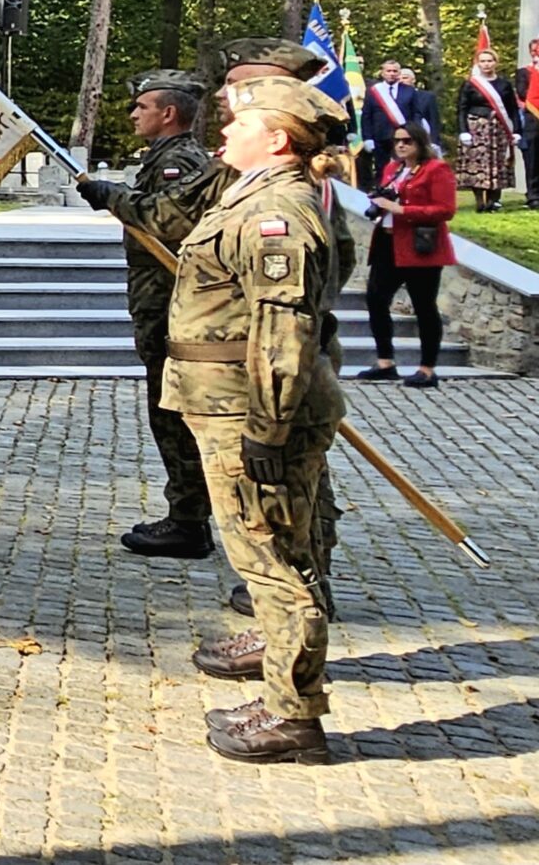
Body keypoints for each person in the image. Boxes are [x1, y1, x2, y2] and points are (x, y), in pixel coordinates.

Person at [169, 74, 349, 765]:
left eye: (239, 124)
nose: (223, 131)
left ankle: (293, 715)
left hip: (250, 408)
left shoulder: (278, 213)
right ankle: (280, 686)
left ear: (275, 139)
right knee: (269, 552)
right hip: (225, 402)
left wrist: (267, 432)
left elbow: (284, 330)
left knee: (274, 562)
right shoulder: (251, 195)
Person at [76, 70, 220, 559]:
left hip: (171, 303)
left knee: (173, 412)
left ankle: (189, 520)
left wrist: (111, 197)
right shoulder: (162, 157)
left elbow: (167, 219)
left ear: (169, 113)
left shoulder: (179, 160)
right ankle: (187, 514)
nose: (134, 114)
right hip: (158, 301)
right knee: (166, 409)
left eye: (142, 106)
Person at [357, 120, 451, 388]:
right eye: (397, 141)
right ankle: (385, 361)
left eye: (407, 141)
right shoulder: (392, 168)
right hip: (387, 243)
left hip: (419, 247)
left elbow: (445, 209)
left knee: (424, 306)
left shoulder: (436, 169)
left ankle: (427, 368)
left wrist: (402, 210)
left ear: (420, 142)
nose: (400, 145)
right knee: (376, 299)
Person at [454, 46, 520, 212]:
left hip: (499, 129)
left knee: (498, 164)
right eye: (483, 61)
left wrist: (517, 131)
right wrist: (463, 131)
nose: (486, 64)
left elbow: (513, 110)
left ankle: (493, 201)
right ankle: (479, 201)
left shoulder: (504, 84)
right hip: (476, 128)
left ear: (496, 63)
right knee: (476, 165)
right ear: (478, 63)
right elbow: (462, 109)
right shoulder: (470, 84)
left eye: (490, 61)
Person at [359, 59, 439, 186]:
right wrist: (367, 138)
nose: (391, 74)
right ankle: (382, 193)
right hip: (380, 137)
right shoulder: (373, 91)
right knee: (381, 169)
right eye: (388, 71)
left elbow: (416, 114)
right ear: (382, 73)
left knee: (405, 167)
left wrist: (415, 133)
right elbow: (366, 116)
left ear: (399, 73)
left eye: (395, 71)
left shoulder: (409, 91)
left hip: (405, 137)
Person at [512, 41, 539, 209]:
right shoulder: (524, 72)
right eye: (534, 50)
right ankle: (534, 196)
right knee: (533, 159)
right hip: (533, 121)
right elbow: (523, 93)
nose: (536, 52)